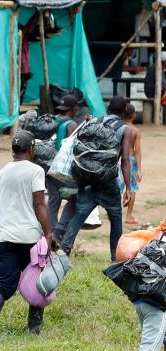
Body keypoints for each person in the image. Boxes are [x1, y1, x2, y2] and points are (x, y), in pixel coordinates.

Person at [0, 130, 52, 342]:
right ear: (31, 150)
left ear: (13, 151)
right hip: (30, 238)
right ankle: (34, 330)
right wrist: (47, 233)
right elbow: (39, 203)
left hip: (6, 238)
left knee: (2, 283)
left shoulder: (2, 173)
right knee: (37, 281)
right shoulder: (36, 171)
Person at [59, 95, 134, 262]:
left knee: (79, 214)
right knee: (115, 217)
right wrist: (128, 188)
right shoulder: (125, 129)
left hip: (86, 177)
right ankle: (115, 255)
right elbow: (126, 160)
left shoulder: (93, 121)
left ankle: (64, 249)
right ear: (123, 112)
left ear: (108, 109)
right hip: (107, 181)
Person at [47, 95, 80, 243]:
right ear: (74, 109)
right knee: (75, 198)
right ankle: (59, 230)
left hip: (48, 166)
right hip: (63, 170)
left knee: (53, 202)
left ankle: (50, 233)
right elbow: (74, 149)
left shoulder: (53, 120)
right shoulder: (71, 124)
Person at [120, 103, 142, 225]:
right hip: (131, 161)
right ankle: (128, 216)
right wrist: (139, 169)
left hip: (118, 160)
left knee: (118, 186)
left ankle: (116, 211)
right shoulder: (135, 131)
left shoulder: (119, 128)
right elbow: (137, 151)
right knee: (132, 188)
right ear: (134, 115)